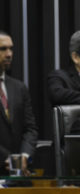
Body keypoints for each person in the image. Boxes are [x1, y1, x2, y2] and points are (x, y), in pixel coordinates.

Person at [0, 31, 38, 176]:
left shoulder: (19, 87)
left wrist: (24, 156)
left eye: (11, 48)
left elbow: (30, 128)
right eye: (3, 49)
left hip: (19, 171)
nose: (9, 54)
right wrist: (6, 158)